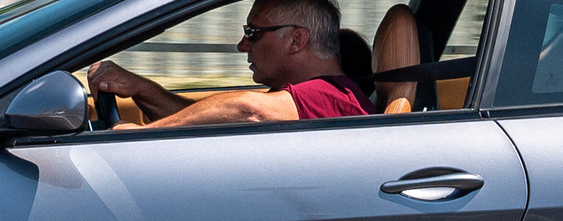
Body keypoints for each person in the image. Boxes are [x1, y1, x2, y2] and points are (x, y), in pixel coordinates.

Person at [88, 0, 367, 129]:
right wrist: (143, 90)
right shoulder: (301, 99)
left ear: (296, 40)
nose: (242, 44)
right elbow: (202, 119)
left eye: (253, 32)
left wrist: (145, 135)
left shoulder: (335, 97)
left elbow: (249, 109)